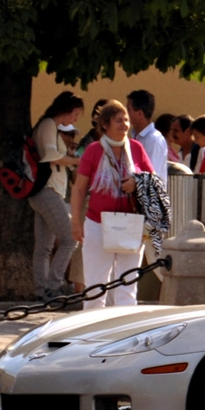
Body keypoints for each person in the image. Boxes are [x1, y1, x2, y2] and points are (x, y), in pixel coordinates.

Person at [69, 101, 152, 309]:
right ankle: (94, 336)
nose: (124, 124)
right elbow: (79, 189)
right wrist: (76, 223)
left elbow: (153, 181)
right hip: (97, 224)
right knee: (95, 288)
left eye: (126, 119)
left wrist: (137, 183)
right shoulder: (93, 150)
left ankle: (124, 335)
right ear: (105, 124)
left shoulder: (136, 148)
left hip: (130, 225)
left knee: (127, 288)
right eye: (118, 120)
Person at [32, 96, 84, 300]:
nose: (76, 120)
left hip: (48, 191)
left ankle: (41, 289)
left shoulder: (50, 126)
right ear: (68, 109)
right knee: (71, 238)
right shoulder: (48, 124)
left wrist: (70, 156)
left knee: (44, 246)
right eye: (76, 114)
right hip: (47, 191)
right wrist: (78, 161)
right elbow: (50, 156)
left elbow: (57, 159)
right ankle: (53, 286)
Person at [126, 91, 168, 180]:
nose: (125, 113)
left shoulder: (154, 140)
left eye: (129, 109)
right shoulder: (135, 136)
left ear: (140, 114)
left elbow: (150, 176)